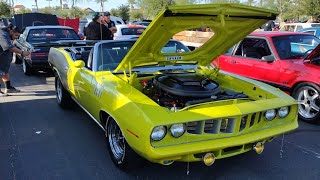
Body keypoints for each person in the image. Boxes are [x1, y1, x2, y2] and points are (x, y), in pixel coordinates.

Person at [0, 24, 30, 96]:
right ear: (11, 31)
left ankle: (8, 88)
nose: (16, 38)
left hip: (4, 60)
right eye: (16, 35)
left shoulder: (6, 34)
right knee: (1, 73)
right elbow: (9, 47)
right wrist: (22, 53)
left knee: (4, 72)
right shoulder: (2, 34)